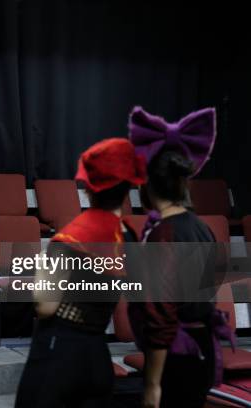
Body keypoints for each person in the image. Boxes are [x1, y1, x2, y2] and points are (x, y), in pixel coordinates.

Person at [15, 138, 146, 408]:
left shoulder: (71, 237)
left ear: (87, 188)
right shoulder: (129, 236)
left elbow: (45, 305)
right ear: (127, 189)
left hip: (59, 353)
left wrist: (41, 267)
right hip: (97, 353)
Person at [127, 106, 232, 408]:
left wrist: (152, 383)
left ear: (147, 186)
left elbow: (162, 316)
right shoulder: (202, 228)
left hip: (176, 355)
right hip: (200, 349)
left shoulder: (165, 235)